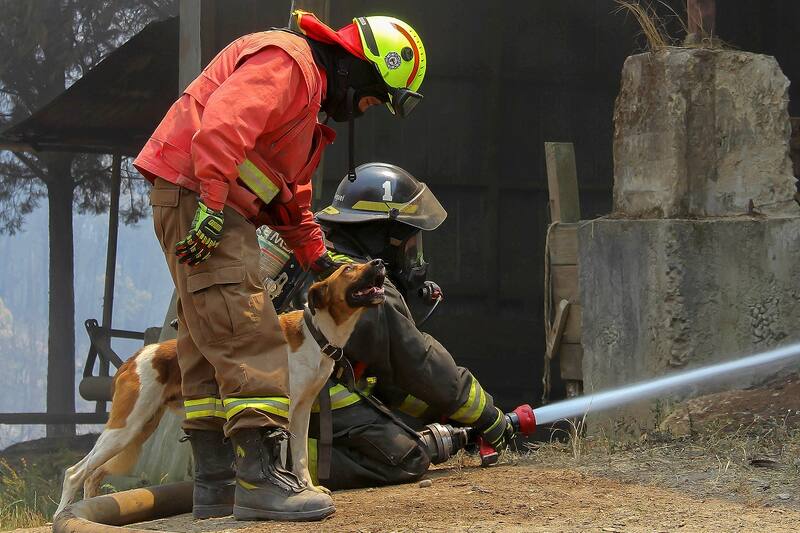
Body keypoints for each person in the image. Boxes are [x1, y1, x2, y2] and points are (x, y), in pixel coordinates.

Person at [133, 11, 427, 522]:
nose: (365, 108)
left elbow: (287, 195)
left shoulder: (306, 106)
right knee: (251, 331)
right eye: (373, 95)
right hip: (206, 199)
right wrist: (208, 203)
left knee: (206, 342)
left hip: (202, 197)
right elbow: (223, 126)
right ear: (357, 67)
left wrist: (316, 255)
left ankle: (217, 484)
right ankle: (260, 481)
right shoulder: (288, 65)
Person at [302, 163, 514, 489]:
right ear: (384, 239)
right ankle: (290, 465)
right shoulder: (364, 288)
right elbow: (417, 362)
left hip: (276, 396)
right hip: (304, 400)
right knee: (406, 454)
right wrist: (488, 416)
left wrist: (443, 413)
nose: (415, 260)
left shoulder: (321, 257)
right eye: (411, 246)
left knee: (372, 401)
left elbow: (386, 381)